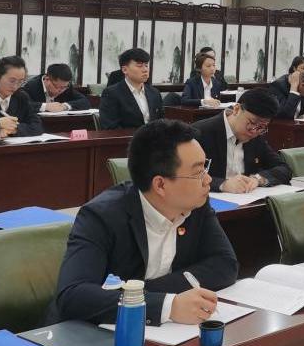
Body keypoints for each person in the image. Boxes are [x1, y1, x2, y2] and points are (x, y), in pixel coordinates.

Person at [46, 119, 238, 325]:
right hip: (89, 333)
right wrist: (166, 305)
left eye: (205, 168)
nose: (208, 180)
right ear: (160, 185)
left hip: (160, 332)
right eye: (198, 172)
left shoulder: (196, 204)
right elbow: (73, 296)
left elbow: (225, 264)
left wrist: (144, 293)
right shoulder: (101, 216)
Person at [193, 88, 291, 193]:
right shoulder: (200, 132)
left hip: (247, 198)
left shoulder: (256, 137)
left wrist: (258, 179)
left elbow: (283, 169)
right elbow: (184, 176)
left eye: (262, 127)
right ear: (236, 109)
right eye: (252, 123)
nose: (254, 131)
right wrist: (222, 184)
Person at [98, 48, 163, 129]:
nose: (145, 70)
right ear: (125, 70)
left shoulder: (154, 93)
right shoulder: (111, 94)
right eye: (139, 66)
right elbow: (110, 127)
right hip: (126, 137)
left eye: (146, 65)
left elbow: (161, 123)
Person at [22, 63, 91, 112]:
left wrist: (65, 106)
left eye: (64, 87)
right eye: (57, 87)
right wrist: (46, 106)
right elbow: (23, 105)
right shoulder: (31, 87)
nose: (60, 90)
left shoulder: (66, 87)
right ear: (47, 79)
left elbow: (85, 101)